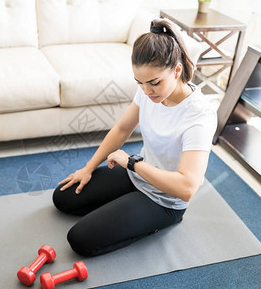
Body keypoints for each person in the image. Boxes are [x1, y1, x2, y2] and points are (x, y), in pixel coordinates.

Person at [52, 18, 217, 257]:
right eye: (140, 83)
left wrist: (131, 162)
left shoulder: (199, 115)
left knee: (80, 239)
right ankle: (125, 204)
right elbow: (122, 129)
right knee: (63, 198)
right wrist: (88, 168)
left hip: (164, 199)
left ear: (177, 70)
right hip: (137, 173)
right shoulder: (148, 91)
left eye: (154, 83)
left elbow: (187, 187)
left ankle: (156, 221)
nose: (146, 91)